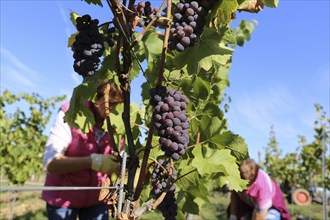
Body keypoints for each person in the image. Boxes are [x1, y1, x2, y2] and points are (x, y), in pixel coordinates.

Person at [42, 82, 123, 220]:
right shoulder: (72, 112)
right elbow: (50, 163)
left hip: (96, 199)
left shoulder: (118, 123)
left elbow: (120, 159)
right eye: (111, 103)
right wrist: (92, 161)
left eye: (118, 104)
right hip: (62, 199)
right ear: (97, 98)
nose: (114, 109)